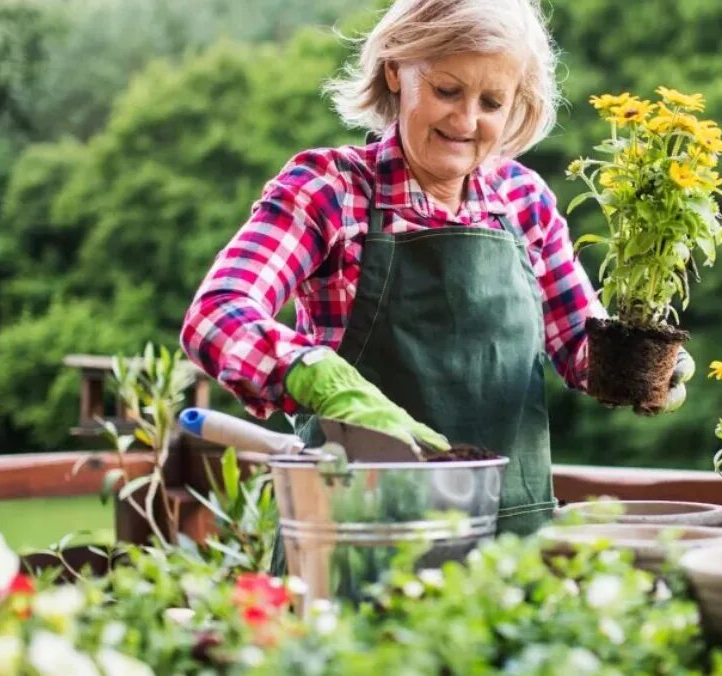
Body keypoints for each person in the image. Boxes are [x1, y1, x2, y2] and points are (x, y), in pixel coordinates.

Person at [180, 0, 694, 539]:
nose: (466, 120)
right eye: (448, 90)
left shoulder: (524, 203)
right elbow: (216, 316)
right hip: (359, 534)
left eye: (492, 102)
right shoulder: (330, 190)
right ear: (395, 70)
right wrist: (318, 377)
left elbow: (580, 349)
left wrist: (651, 364)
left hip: (509, 542)